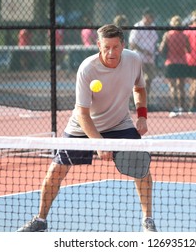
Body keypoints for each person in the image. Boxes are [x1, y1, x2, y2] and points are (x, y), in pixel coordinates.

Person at [17, 24, 157, 232]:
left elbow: (139, 88)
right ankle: (40, 219)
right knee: (56, 170)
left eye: (115, 47)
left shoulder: (133, 60)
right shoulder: (87, 68)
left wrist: (142, 116)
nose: (111, 52)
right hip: (83, 126)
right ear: (99, 45)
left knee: (141, 168)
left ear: (123, 45)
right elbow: (82, 114)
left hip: (119, 123)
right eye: (106, 47)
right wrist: (98, 143)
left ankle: (148, 220)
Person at [158, 15, 190, 118]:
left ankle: (175, 107)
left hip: (171, 62)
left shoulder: (168, 35)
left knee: (173, 86)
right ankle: (181, 107)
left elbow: (161, 49)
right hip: (182, 62)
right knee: (181, 86)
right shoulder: (184, 36)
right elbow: (189, 50)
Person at [129, 8, 158, 101]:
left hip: (150, 57)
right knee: (140, 80)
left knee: (149, 79)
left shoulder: (153, 26)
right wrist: (144, 51)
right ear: (145, 16)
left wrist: (153, 51)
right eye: (151, 16)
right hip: (139, 57)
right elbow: (132, 44)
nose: (153, 19)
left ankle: (145, 100)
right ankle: (136, 100)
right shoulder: (137, 26)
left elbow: (154, 42)